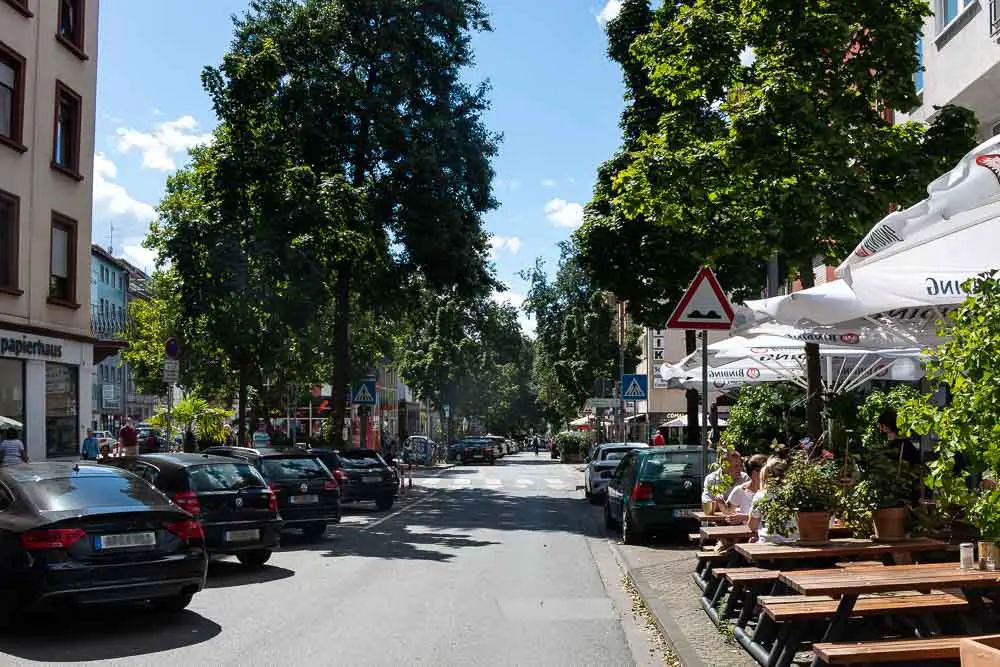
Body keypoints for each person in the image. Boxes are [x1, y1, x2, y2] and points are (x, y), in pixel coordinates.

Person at [748, 457, 798, 543]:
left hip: (767, 542)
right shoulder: (795, 494)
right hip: (793, 541)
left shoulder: (761, 495)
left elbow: (753, 526)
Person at [725, 454, 769, 524]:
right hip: (746, 533)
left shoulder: (773, 491)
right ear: (754, 473)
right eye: (767, 471)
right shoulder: (740, 490)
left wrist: (745, 517)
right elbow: (727, 512)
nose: (770, 475)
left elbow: (773, 518)